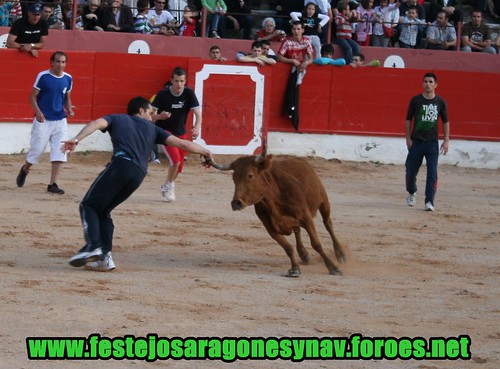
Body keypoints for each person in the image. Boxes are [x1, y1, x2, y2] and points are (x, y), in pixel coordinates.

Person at [65, 96, 212, 270]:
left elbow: (96, 123)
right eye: (151, 113)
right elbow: (182, 144)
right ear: (141, 111)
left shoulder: (117, 119)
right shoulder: (153, 128)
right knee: (103, 210)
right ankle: (104, 259)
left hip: (121, 166)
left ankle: (93, 246)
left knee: (88, 206)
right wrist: (205, 151)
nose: (152, 117)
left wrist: (76, 139)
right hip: (138, 174)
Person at [16, 51, 74, 195]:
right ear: (52, 62)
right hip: (43, 119)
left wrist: (69, 109)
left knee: (60, 150)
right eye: (58, 62)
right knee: (37, 150)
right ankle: (25, 169)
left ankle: (53, 184)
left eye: (63, 62)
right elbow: (32, 97)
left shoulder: (68, 78)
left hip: (60, 119)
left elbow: (66, 96)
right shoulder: (43, 76)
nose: (61, 65)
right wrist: (38, 112)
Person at [151, 67, 202, 203]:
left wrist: (196, 127)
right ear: (171, 81)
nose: (179, 84)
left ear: (185, 82)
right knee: (175, 161)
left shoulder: (189, 93)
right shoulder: (162, 94)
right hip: (164, 132)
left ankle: (167, 185)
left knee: (179, 166)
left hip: (181, 133)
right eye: (176, 81)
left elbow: (198, 113)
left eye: (182, 81)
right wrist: (160, 117)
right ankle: (169, 186)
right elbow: (150, 116)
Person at [405, 72, 450, 212]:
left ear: (436, 85)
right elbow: (408, 119)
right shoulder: (415, 100)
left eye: (430, 82)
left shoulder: (440, 102)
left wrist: (446, 139)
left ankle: (429, 201)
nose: (427, 84)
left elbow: (446, 121)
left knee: (432, 173)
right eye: (425, 81)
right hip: (416, 141)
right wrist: (407, 137)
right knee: (410, 172)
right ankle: (412, 192)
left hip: (432, 142)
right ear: (422, 83)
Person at [277, 21, 313, 130]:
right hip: (291, 68)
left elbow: (311, 57)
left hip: (300, 69)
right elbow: (279, 57)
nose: (296, 31)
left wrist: (306, 63)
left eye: (298, 29)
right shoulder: (287, 42)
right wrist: (291, 60)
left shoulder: (306, 42)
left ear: (303, 30)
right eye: (294, 29)